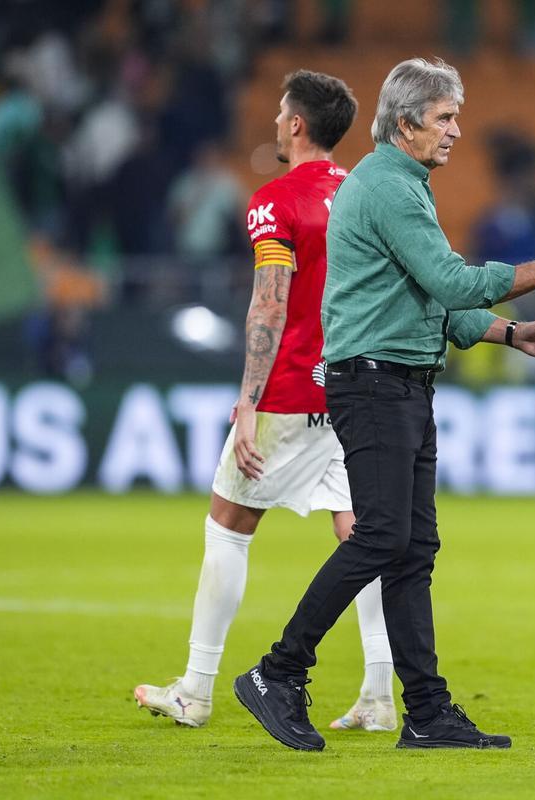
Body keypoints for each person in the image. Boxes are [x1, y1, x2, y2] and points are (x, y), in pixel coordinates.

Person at [232, 57, 535, 752]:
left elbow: (432, 301)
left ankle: (427, 714)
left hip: (399, 379)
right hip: (373, 384)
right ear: (405, 123)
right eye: (444, 117)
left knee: (410, 549)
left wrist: (511, 332)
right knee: (381, 537)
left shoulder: (397, 183)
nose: (457, 130)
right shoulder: (391, 187)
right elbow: (451, 281)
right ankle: (277, 673)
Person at [135, 70, 398, 734]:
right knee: (361, 537)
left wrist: (248, 401)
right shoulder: (368, 194)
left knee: (229, 524)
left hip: (290, 392)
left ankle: (195, 690)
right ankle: (376, 694)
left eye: (283, 114)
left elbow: (270, 302)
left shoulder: (276, 201)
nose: (277, 122)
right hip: (356, 392)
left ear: (297, 126)